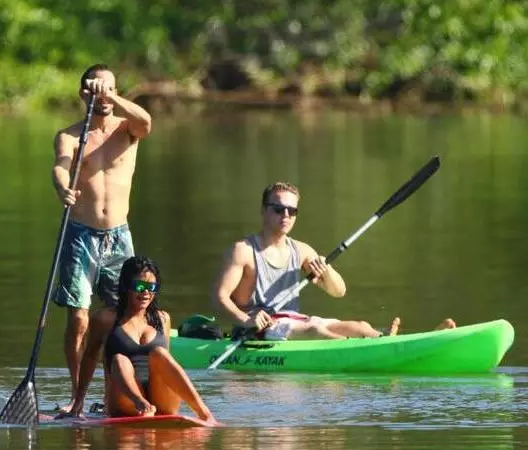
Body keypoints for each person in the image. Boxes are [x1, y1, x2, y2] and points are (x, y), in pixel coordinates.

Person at [213, 182, 456, 340]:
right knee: (316, 331)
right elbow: (220, 297)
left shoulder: (301, 250)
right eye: (278, 209)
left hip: (294, 322)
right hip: (257, 331)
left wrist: (326, 273)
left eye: (292, 210)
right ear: (264, 210)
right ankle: (372, 352)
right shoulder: (242, 251)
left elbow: (339, 291)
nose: (285, 215)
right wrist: (246, 319)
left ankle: (389, 342)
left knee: (360, 326)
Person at [52, 64, 152, 412]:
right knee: (79, 317)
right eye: (98, 90)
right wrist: (63, 188)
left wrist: (113, 95)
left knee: (118, 316)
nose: (105, 96)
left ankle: (114, 392)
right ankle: (76, 397)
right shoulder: (69, 135)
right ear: (84, 94)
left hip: (119, 237)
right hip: (81, 235)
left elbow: (147, 121)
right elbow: (61, 165)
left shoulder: (128, 130)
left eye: (111, 89)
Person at [57, 256, 217, 424]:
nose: (145, 293)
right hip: (124, 401)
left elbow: (167, 367)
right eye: (139, 286)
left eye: (151, 287)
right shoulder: (105, 318)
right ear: (126, 287)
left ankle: (204, 412)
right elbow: (90, 358)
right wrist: (78, 402)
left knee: (160, 353)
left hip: (160, 399)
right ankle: (141, 404)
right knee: (120, 359)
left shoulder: (162, 319)